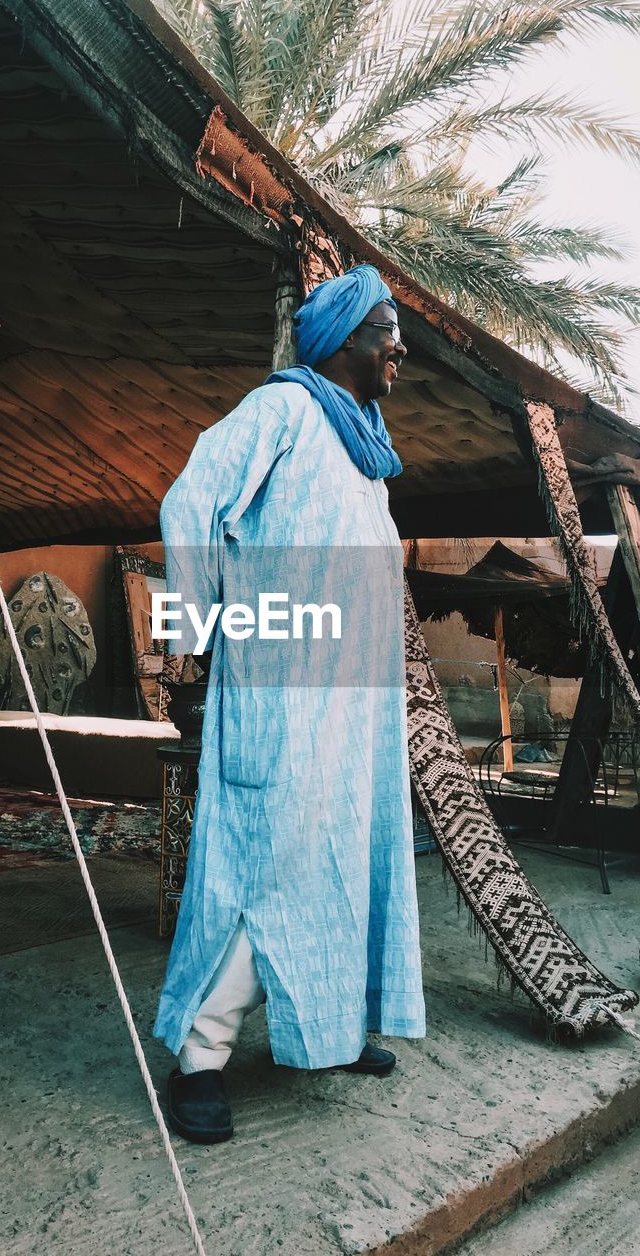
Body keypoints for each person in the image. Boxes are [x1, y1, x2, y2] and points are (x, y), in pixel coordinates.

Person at [154, 264, 425, 1144]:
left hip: (353, 704)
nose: (399, 347)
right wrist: (196, 633)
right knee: (273, 865)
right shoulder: (283, 411)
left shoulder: (363, 447)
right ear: (344, 339)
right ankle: (199, 1056)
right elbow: (191, 498)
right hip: (284, 688)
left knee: (345, 856)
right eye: (386, 328)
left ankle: (334, 1028)